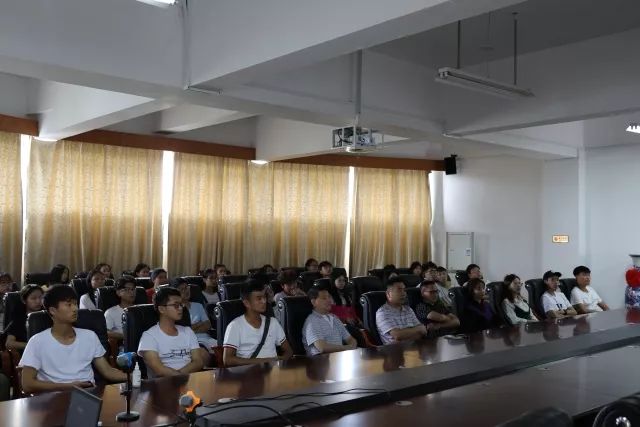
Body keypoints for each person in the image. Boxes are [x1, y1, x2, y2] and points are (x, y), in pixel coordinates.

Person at [19, 285, 126, 393]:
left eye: (75, 304)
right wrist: (68, 386)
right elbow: (27, 384)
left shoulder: (89, 336)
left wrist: (132, 376)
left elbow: (107, 371)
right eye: (69, 305)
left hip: (88, 395)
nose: (75, 309)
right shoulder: (37, 342)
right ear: (52, 310)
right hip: (54, 398)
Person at [223, 281, 293, 367]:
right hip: (249, 373)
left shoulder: (273, 322)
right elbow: (228, 360)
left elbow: (289, 351)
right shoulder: (235, 326)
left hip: (274, 372)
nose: (264, 301)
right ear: (246, 303)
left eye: (264, 297)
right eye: (259, 298)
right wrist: (265, 361)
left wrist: (280, 360)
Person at [138, 287, 204, 378]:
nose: (180, 308)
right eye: (176, 305)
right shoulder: (149, 336)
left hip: (189, 381)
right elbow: (159, 370)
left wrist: (180, 378)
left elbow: (198, 362)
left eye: (181, 304)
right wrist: (180, 378)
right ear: (161, 309)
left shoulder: (188, 331)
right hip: (162, 383)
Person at [303, 286, 357, 356]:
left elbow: (350, 339)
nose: (329, 300)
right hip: (320, 360)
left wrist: (352, 346)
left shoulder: (334, 318)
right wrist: (348, 348)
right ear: (313, 302)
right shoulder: (312, 322)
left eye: (329, 297)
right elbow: (322, 348)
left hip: (338, 358)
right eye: (324, 298)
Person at [172, 278, 216, 359]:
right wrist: (200, 323)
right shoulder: (174, 309)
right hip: (189, 342)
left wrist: (191, 328)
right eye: (182, 289)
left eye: (187, 287)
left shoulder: (198, 305)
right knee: (203, 354)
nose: (186, 291)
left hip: (206, 338)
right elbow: (181, 332)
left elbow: (208, 325)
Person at [375, 277, 428, 345]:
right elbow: (397, 335)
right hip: (394, 350)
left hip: (414, 348)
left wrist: (405, 335)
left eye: (404, 290)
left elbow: (423, 331)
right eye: (399, 290)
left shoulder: (408, 309)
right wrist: (418, 330)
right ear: (388, 294)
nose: (404, 293)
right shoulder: (382, 313)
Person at [6, 285, 44, 351]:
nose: (38, 301)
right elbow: (9, 343)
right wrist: (33, 346)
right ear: (24, 300)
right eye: (33, 298)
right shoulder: (19, 319)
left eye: (41, 297)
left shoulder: (47, 316)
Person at [104, 276, 137, 341]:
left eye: (133, 289)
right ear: (118, 293)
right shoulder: (110, 312)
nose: (131, 292)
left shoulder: (141, 310)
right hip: (123, 344)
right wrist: (127, 337)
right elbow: (106, 332)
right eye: (127, 289)